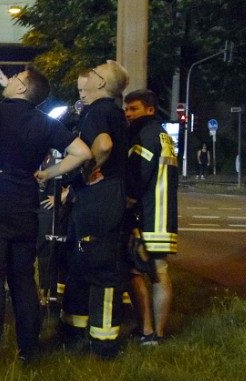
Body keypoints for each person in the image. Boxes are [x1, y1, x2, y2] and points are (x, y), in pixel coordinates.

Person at [0, 65, 92, 366]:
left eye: (17, 78)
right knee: (23, 281)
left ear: (21, 88)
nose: (11, 80)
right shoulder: (45, 123)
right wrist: (48, 172)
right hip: (25, 210)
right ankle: (29, 352)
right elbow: (83, 153)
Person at [57, 61, 130, 359]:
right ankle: (76, 330)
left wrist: (87, 170)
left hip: (99, 199)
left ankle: (103, 344)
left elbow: (103, 144)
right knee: (82, 262)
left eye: (95, 73)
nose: (88, 77)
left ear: (100, 84)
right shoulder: (107, 111)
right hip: (101, 198)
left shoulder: (100, 110)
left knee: (100, 267)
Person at [123, 90, 178, 345]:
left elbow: (136, 178)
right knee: (160, 272)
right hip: (165, 216)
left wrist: (127, 206)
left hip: (146, 215)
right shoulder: (165, 136)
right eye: (127, 109)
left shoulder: (143, 136)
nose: (128, 113)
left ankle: (146, 330)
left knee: (134, 271)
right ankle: (160, 333)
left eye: (133, 109)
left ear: (150, 110)